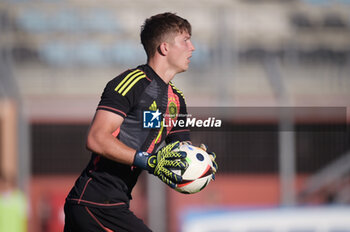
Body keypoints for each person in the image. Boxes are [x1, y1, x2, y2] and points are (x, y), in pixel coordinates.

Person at [64, 12, 217, 232]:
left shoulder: (177, 99)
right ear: (164, 48)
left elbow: (180, 151)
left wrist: (202, 162)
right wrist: (149, 161)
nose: (192, 47)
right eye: (185, 40)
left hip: (112, 204)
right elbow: (96, 138)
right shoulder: (132, 83)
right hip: (95, 203)